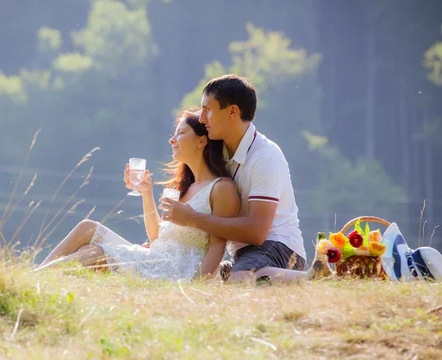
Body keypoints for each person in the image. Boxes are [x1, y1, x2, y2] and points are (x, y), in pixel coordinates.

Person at [36, 110, 240, 280]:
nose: (172, 140)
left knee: (96, 254)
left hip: (178, 269)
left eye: (180, 133)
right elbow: (157, 237)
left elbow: (217, 246)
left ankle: (34, 281)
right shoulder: (184, 188)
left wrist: (198, 285)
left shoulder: (221, 188)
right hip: (157, 256)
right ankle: (34, 278)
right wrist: (146, 192)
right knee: (88, 228)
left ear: (202, 141)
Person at [159, 74, 307, 283]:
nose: (201, 118)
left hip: (278, 246)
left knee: (238, 282)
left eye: (207, 110)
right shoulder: (220, 151)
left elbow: (257, 233)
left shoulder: (265, 157)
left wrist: (192, 219)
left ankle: (312, 279)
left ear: (233, 112)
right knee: (205, 279)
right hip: (242, 253)